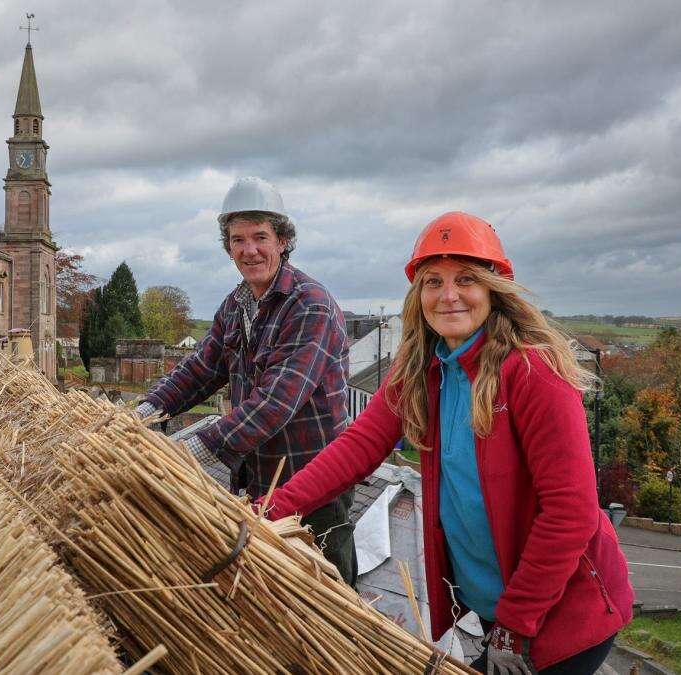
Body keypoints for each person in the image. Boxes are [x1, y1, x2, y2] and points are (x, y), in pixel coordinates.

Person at [260, 212, 633, 674]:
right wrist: (271, 510)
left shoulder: (532, 374)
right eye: (432, 281)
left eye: (466, 280)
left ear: (494, 289)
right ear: (418, 295)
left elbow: (571, 511)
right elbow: (357, 447)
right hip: (499, 610)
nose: (448, 295)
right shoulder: (423, 370)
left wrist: (515, 624)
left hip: (562, 612)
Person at [135, 176, 356, 584]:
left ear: (283, 241)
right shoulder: (238, 303)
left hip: (315, 482)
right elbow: (199, 370)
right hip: (261, 480)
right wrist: (142, 414)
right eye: (238, 240)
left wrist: (198, 448)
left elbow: (276, 401)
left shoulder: (310, 306)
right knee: (273, 590)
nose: (249, 250)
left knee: (327, 589)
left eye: (260, 237)